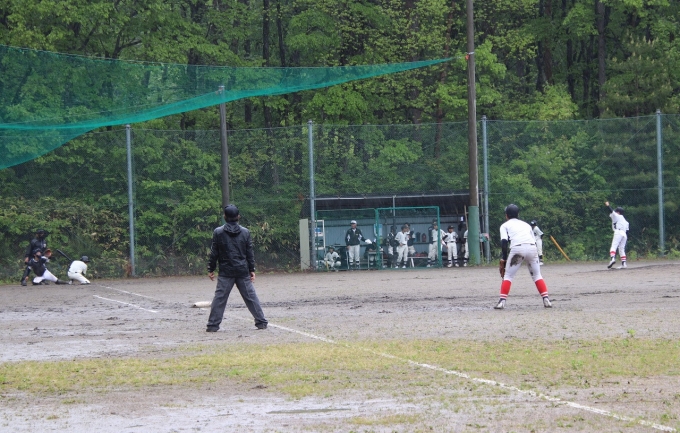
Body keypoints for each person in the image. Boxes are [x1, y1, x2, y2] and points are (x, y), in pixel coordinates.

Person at [206, 204, 268, 332]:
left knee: (219, 298)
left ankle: (212, 325)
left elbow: (214, 253)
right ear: (238, 217)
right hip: (242, 270)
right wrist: (252, 269)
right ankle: (261, 322)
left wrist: (210, 269)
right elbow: (249, 253)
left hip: (225, 271)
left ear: (225, 216)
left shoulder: (218, 232)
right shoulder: (245, 232)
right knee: (251, 297)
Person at [494, 204, 552, 310]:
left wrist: (504, 258)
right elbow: (534, 241)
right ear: (518, 214)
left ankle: (502, 302)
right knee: (537, 275)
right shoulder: (526, 225)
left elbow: (504, 242)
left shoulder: (504, 226)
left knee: (508, 276)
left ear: (506, 215)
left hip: (518, 250)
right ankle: (546, 299)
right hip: (532, 248)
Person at [605, 201, 629, 269]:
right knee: (621, 248)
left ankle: (612, 259)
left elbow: (611, 211)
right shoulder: (625, 221)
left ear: (618, 212)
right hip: (624, 234)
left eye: (616, 211)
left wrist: (608, 205)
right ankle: (624, 264)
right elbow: (627, 230)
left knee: (613, 246)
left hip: (618, 232)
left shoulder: (617, 215)